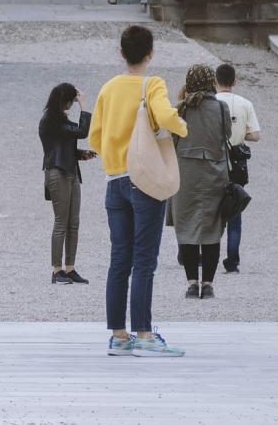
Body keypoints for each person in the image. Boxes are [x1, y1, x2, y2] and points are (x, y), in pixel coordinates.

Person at [88, 25, 188, 358]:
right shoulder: (153, 83)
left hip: (114, 180)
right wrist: (182, 126)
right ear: (151, 54)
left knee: (120, 260)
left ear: (121, 53)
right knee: (145, 260)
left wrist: (115, 157)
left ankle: (119, 335)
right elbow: (165, 117)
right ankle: (144, 333)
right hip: (143, 179)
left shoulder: (109, 87)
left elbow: (95, 137)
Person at [169, 64, 231, 301]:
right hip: (215, 173)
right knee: (212, 229)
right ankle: (208, 284)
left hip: (185, 173)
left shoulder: (181, 109)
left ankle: (192, 283)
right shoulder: (221, 107)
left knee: (186, 228)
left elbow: (172, 136)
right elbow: (226, 135)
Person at [39, 83, 96, 285]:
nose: (73, 104)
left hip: (71, 172)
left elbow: (65, 147)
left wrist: (82, 154)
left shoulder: (59, 120)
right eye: (72, 100)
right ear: (66, 100)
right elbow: (81, 132)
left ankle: (70, 268)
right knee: (61, 222)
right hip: (57, 173)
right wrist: (84, 106)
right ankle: (57, 271)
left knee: (74, 223)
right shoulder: (49, 121)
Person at [215, 63, 261, 273]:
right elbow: (255, 135)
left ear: (216, 81)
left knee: (210, 210)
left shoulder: (210, 103)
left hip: (214, 161)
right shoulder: (245, 103)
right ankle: (232, 260)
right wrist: (240, 134)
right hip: (236, 163)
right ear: (235, 81)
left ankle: (206, 255)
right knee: (235, 212)